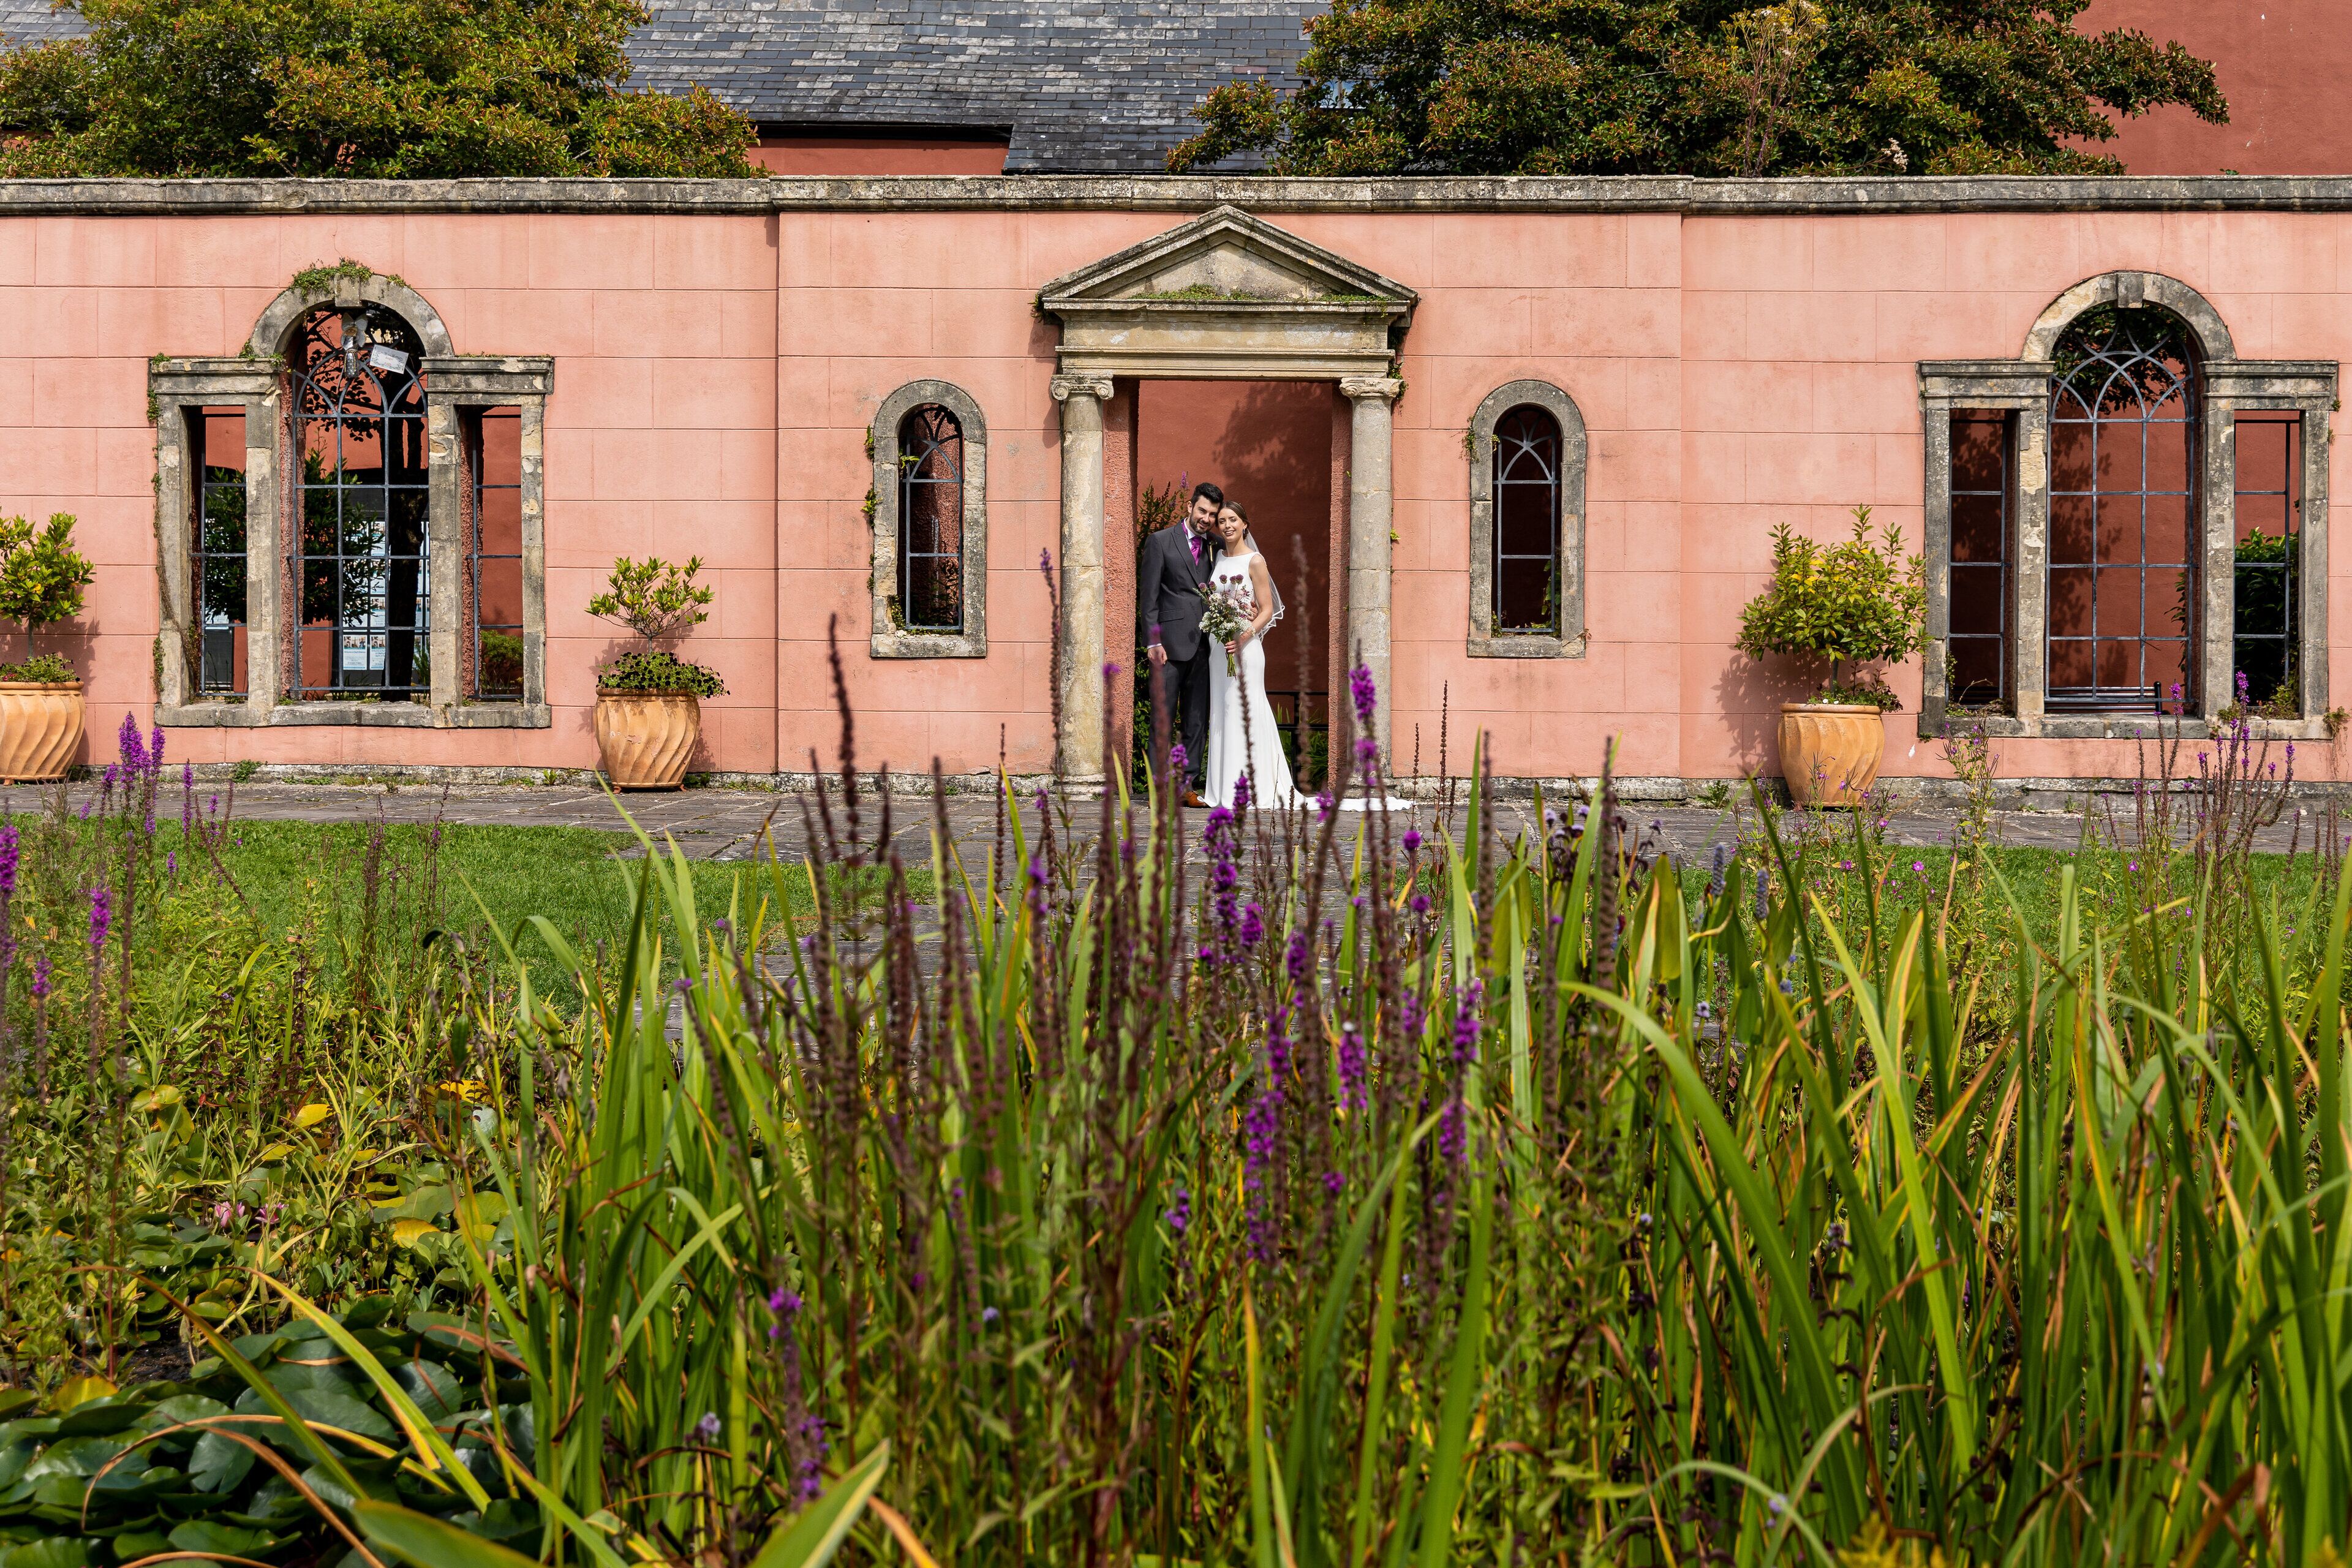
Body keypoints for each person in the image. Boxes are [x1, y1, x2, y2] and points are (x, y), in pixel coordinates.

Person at [1203, 501, 1309, 810]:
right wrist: (1220, 630)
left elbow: (1267, 609)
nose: (1226, 526)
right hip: (1218, 649)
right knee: (1223, 713)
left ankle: (1251, 787)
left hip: (1245, 649)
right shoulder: (1218, 557)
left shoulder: (1255, 561)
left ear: (1245, 524)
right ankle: (1224, 789)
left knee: (1246, 710)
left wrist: (1243, 635)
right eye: (1221, 521)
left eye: (1233, 519)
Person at [1139, 480, 1223, 806]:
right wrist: (1152, 642)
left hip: (1206, 647)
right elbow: (1149, 598)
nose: (1206, 518)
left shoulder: (1217, 546)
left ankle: (1186, 786)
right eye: (1202, 510)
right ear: (1190, 507)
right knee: (1161, 717)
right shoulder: (1160, 542)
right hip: (1168, 648)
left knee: (1196, 718)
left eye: (1212, 515)